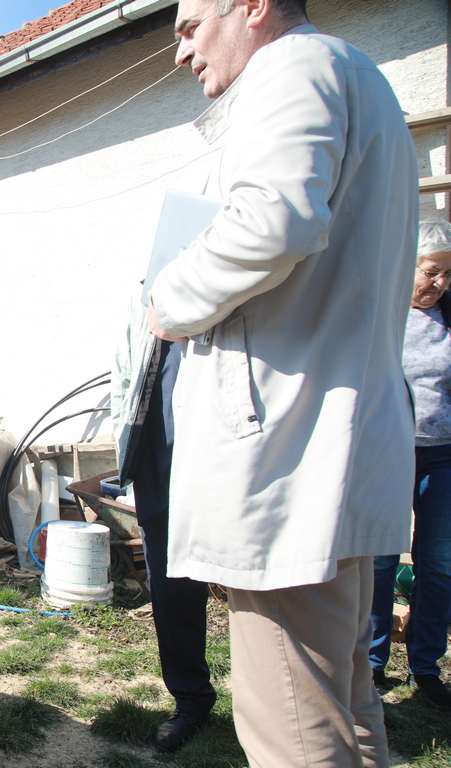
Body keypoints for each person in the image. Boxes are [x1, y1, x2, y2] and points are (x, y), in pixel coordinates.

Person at [149, 1, 419, 765]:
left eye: (190, 27)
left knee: (293, 729)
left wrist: (172, 297)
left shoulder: (293, 67)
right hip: (329, 444)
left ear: (254, 6)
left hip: (288, 456)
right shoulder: (354, 76)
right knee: (345, 709)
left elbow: (275, 221)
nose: (181, 53)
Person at [112, 299, 215, 752]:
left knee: (258, 593)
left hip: (225, 464)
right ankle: (191, 699)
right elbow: (124, 377)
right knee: (173, 593)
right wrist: (128, 454)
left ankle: (278, 704)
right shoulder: (146, 301)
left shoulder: (229, 290)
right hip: (159, 467)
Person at [369, 218, 451, 712]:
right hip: (389, 450)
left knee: (438, 562)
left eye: (447, 274)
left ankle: (426, 666)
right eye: (431, 271)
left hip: (444, 453)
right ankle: (372, 663)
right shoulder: (383, 313)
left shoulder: (449, 316)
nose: (439, 282)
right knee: (380, 559)